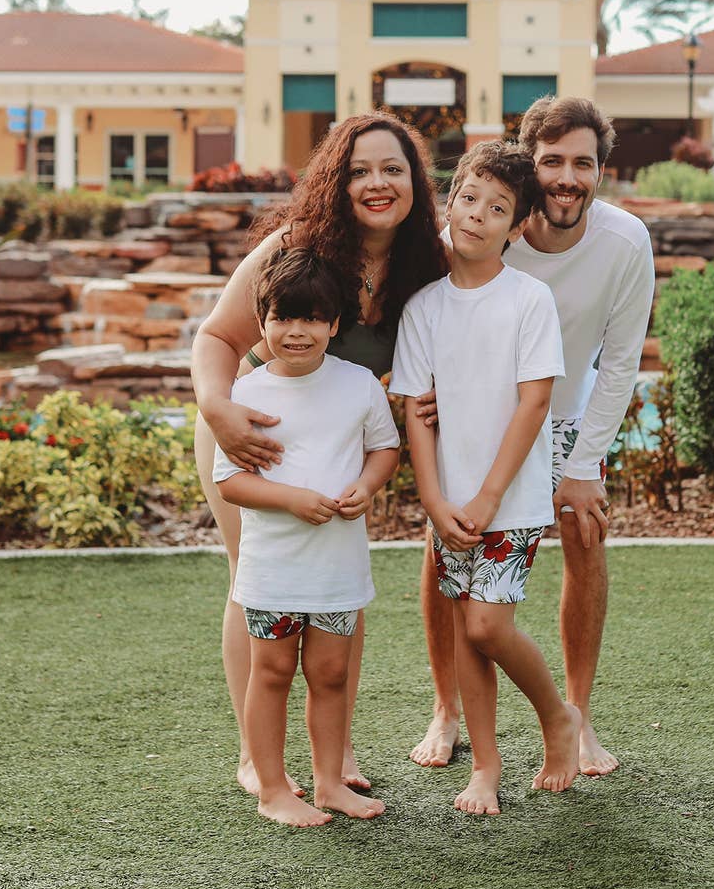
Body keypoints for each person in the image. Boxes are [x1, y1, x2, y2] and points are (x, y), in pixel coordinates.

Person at [192, 112, 449, 796]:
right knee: (257, 580)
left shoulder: (428, 261)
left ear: (416, 183)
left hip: (338, 443)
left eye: (393, 169)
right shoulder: (295, 245)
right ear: (336, 181)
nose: (377, 183)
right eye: (359, 170)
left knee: (337, 589)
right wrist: (221, 413)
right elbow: (216, 338)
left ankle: (335, 760)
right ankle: (256, 756)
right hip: (255, 432)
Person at [410, 96, 655, 778]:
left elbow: (620, 360)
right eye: (552, 161)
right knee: (443, 545)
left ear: (601, 170)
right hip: (476, 416)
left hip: (567, 413)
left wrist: (585, 464)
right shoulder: (490, 228)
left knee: (584, 527)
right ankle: (446, 707)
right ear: (530, 166)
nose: (567, 177)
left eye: (584, 163)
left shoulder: (625, 242)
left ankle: (579, 714)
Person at [390, 141, 581, 815]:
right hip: (451, 506)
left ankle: (558, 718)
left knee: (487, 628)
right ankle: (488, 767)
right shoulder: (424, 309)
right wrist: (435, 500)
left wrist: (490, 495)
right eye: (468, 199)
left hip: (514, 499)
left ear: (517, 223)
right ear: (450, 201)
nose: (476, 216)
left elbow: (535, 403)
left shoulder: (529, 300)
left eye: (496, 208)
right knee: (466, 629)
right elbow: (417, 411)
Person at [213, 247, 400, 827]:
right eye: (282, 318)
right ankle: (272, 788)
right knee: (271, 673)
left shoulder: (359, 385)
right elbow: (232, 482)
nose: (297, 332)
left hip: (337, 569)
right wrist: (293, 500)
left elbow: (385, 448)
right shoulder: (246, 395)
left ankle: (327, 783)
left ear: (334, 324)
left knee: (331, 674)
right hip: (273, 571)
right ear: (262, 322)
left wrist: (367, 487)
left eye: (312, 319)